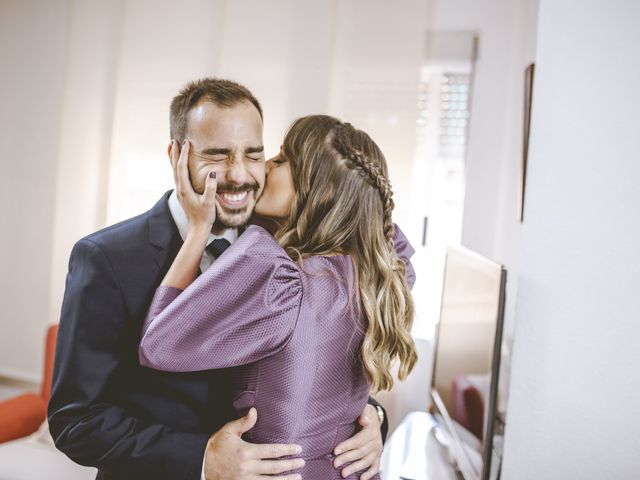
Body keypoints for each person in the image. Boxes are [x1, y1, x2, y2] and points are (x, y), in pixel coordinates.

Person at [49, 79, 387, 480]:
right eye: (217, 155)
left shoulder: (291, 246)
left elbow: (324, 363)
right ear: (177, 154)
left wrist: (372, 420)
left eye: (255, 154)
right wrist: (202, 460)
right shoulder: (106, 258)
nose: (239, 175)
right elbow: (76, 421)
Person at [139, 114, 418, 479]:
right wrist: (374, 418)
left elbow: (158, 345)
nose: (265, 166)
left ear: (324, 191)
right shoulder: (383, 271)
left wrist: (197, 230)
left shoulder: (280, 276)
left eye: (283, 161)